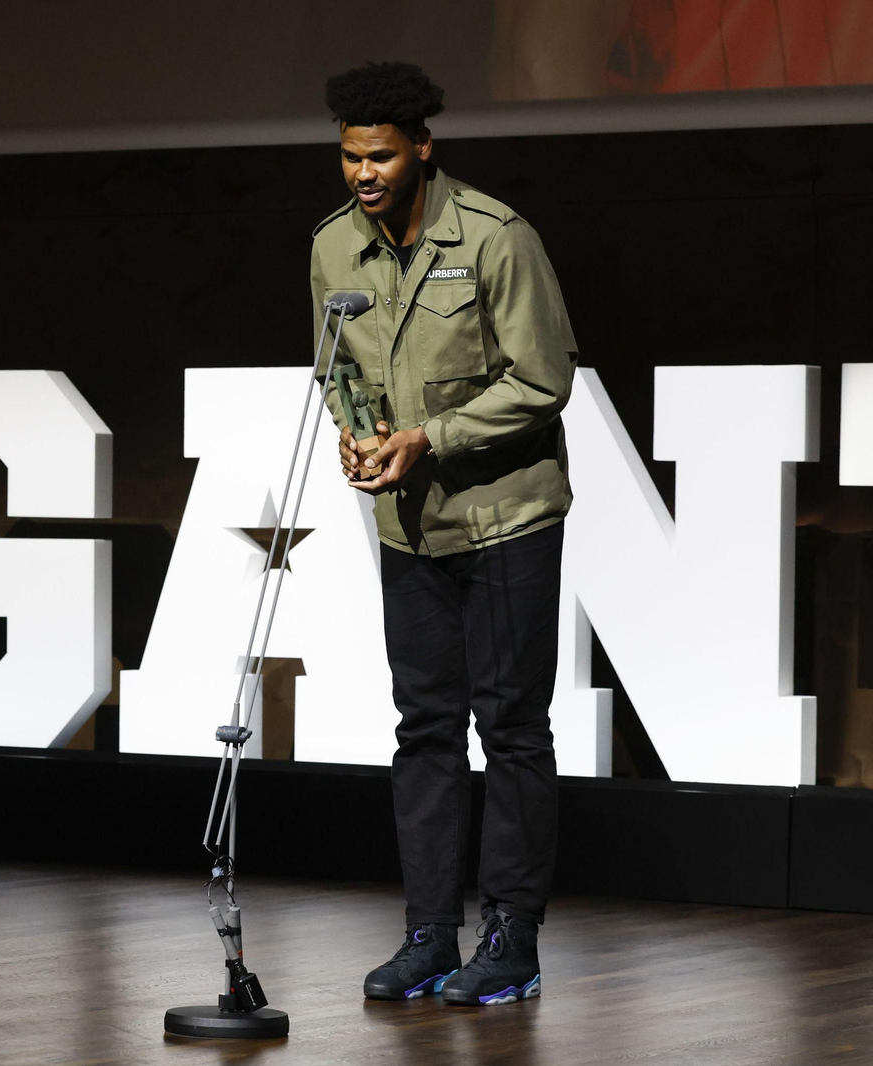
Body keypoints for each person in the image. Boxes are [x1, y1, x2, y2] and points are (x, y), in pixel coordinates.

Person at [311, 61, 578, 1007]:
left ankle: (513, 937)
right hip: (408, 527)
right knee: (423, 730)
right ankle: (430, 932)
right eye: (349, 156)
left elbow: (544, 379)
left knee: (510, 728)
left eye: (379, 155)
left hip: (505, 519)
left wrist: (431, 438)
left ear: (422, 146)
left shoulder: (497, 237)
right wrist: (359, 435)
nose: (362, 173)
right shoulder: (333, 249)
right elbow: (334, 367)